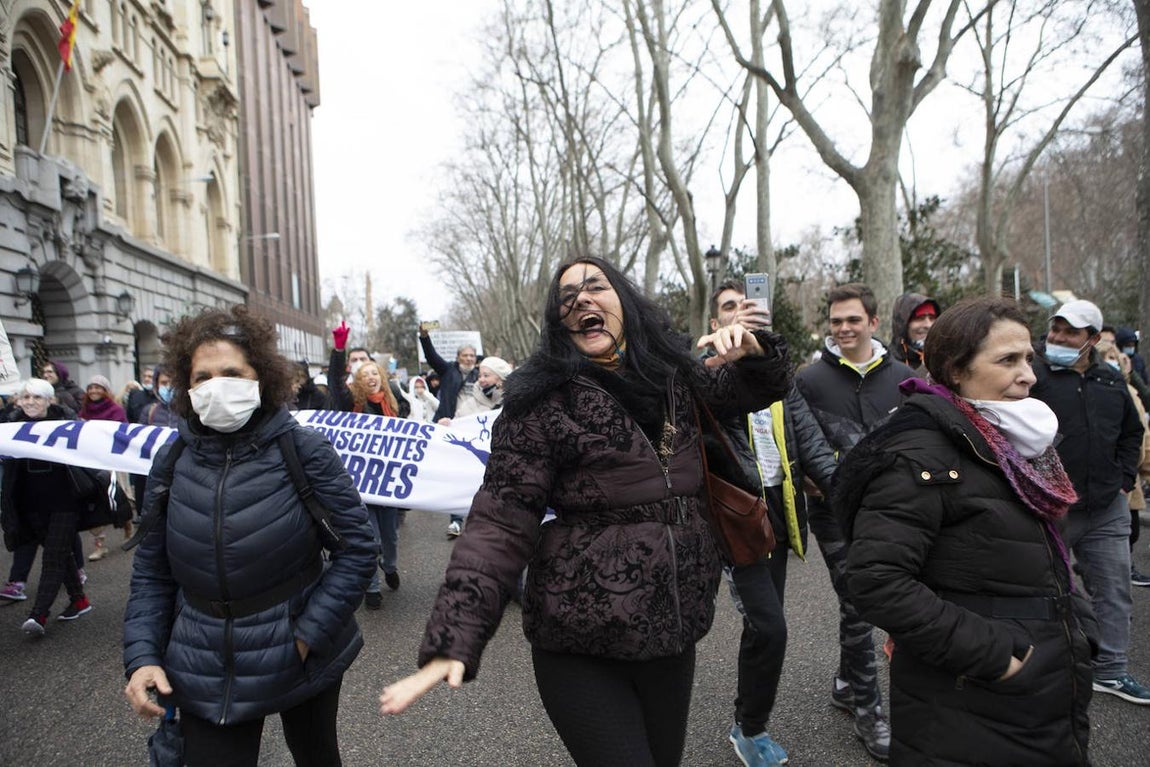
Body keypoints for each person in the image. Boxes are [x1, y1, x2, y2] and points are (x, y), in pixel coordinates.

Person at [379, 256, 792, 767]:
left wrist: (755, 351)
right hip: (578, 645)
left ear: (626, 303)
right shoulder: (540, 403)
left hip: (672, 635)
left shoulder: (678, 377)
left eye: (595, 286)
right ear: (559, 322)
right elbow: (500, 521)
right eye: (567, 297)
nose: (581, 300)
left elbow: (765, 385)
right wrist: (454, 634)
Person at [834, 297, 1093, 765]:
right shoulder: (920, 453)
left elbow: (1048, 550)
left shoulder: (1016, 441)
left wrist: (1078, 622)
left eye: (1028, 358)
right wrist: (999, 657)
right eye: (1007, 360)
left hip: (1044, 688)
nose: (1029, 375)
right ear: (956, 370)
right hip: (971, 697)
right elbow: (876, 580)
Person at [122, 305, 376, 767]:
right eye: (202, 377)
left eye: (232, 373)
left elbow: (357, 548)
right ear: (186, 386)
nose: (216, 386)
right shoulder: (173, 459)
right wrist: (142, 655)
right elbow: (152, 571)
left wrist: (308, 634)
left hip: (297, 648)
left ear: (261, 376)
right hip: (201, 657)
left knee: (316, 755)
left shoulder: (304, 450)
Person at [707, 280, 837, 767]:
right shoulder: (704, 379)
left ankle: (746, 722)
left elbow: (814, 446)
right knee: (770, 627)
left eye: (748, 307)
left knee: (764, 627)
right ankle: (751, 728)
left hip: (778, 518)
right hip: (734, 520)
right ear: (715, 323)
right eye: (729, 308)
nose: (740, 314)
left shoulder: (781, 381)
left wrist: (849, 494)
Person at [793, 282, 914, 761]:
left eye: (853, 320)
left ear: (873, 322)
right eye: (836, 321)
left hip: (891, 512)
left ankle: (846, 684)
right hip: (832, 513)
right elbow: (794, 440)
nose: (843, 328)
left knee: (860, 603)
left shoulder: (904, 377)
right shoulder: (809, 380)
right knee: (859, 600)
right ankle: (868, 709)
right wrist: (804, 476)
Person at [1030, 299, 1150, 705]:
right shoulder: (1033, 375)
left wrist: (1123, 479)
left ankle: (1111, 670)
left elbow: (1132, 432)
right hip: (1049, 506)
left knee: (1114, 589)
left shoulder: (1111, 380)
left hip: (1105, 507)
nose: (1059, 337)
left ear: (1093, 339)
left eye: (1071, 332)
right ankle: (1039, 671)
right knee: (1041, 589)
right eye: (1056, 328)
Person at [0, 379, 96, 636]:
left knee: (53, 557)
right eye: (26, 397)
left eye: (37, 397)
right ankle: (80, 600)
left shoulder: (67, 423)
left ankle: (38, 615)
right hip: (30, 505)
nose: (31, 402)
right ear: (19, 400)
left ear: (49, 400)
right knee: (61, 555)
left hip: (65, 503)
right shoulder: (10, 427)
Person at [328, 324, 404, 608]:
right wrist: (339, 350)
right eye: (364, 374)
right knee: (370, 536)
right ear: (357, 381)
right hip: (361, 483)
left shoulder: (394, 405)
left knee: (390, 537)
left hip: (389, 481)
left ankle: (390, 566)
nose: (370, 377)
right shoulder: (351, 403)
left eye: (374, 373)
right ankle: (371, 587)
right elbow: (335, 383)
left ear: (381, 377)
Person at [418, 328, 482, 537]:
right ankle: (455, 520)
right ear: (458, 357)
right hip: (447, 427)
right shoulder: (447, 371)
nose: (469, 358)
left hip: (471, 429)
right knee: (455, 473)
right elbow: (431, 356)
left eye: (472, 355)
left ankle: (475, 518)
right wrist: (425, 338)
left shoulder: (480, 375)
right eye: (465, 355)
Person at [1097, 340, 1150, 587]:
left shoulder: (1127, 390)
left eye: (1113, 357)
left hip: (1126, 478)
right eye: (1105, 357)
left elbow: (1140, 435)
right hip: (1108, 478)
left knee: (1131, 531)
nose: (1111, 362)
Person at [78, 374, 129, 562]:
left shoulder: (116, 410)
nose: (94, 391)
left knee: (117, 499)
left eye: (98, 387)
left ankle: (127, 524)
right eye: (90, 387)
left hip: (111, 460)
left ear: (105, 390)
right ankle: (99, 545)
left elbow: (123, 433)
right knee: (93, 502)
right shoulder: (83, 411)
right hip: (90, 461)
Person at [889, 293, 939, 374]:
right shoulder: (887, 364)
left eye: (932, 318)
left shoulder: (945, 360)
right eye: (919, 318)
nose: (928, 325)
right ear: (903, 325)